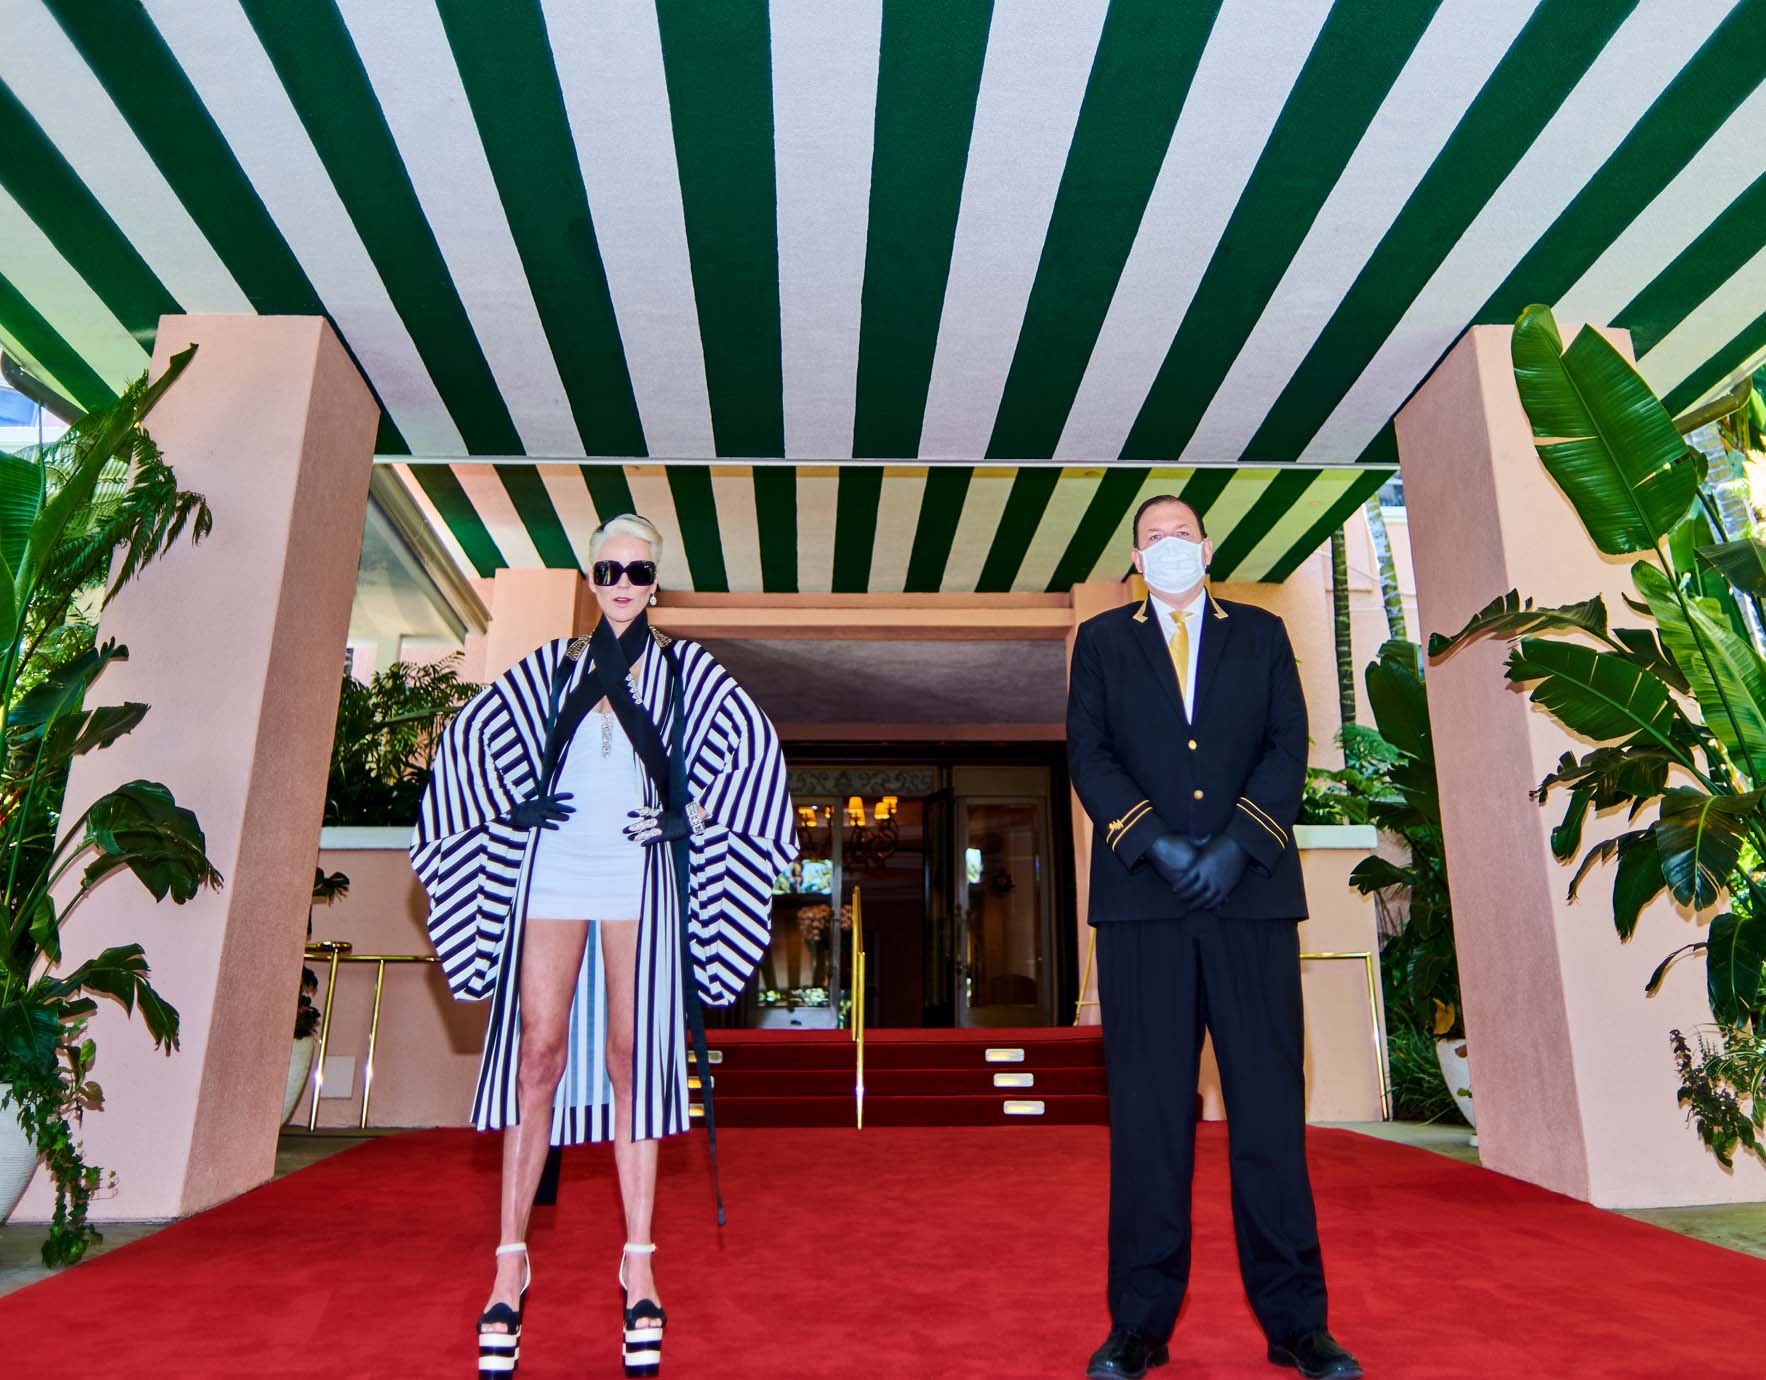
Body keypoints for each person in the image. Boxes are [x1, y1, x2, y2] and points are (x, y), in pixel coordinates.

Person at [410, 514, 798, 1380]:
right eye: (608, 568)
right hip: (551, 868)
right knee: (536, 1055)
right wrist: (511, 809)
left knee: (632, 1057)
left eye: (639, 570)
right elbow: (472, 740)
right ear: (590, 577)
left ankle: (639, 1261)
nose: (623, 582)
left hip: (635, 872)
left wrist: (690, 816)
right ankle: (509, 1262)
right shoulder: (550, 669)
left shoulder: (689, 674)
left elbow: (752, 758)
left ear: (657, 581)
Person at [1066, 496, 1361, 1380]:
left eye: (1181, 535)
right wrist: (1154, 841)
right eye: (1152, 537)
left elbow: (1287, 744)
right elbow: (1089, 752)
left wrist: (1239, 846)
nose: (1168, 547)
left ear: (1207, 546)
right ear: (1133, 556)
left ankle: (1298, 1324)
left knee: (1268, 1116)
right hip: (1142, 910)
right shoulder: (1105, 642)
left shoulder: (1262, 633)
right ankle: (1139, 1327)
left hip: (1251, 901)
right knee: (1150, 1121)